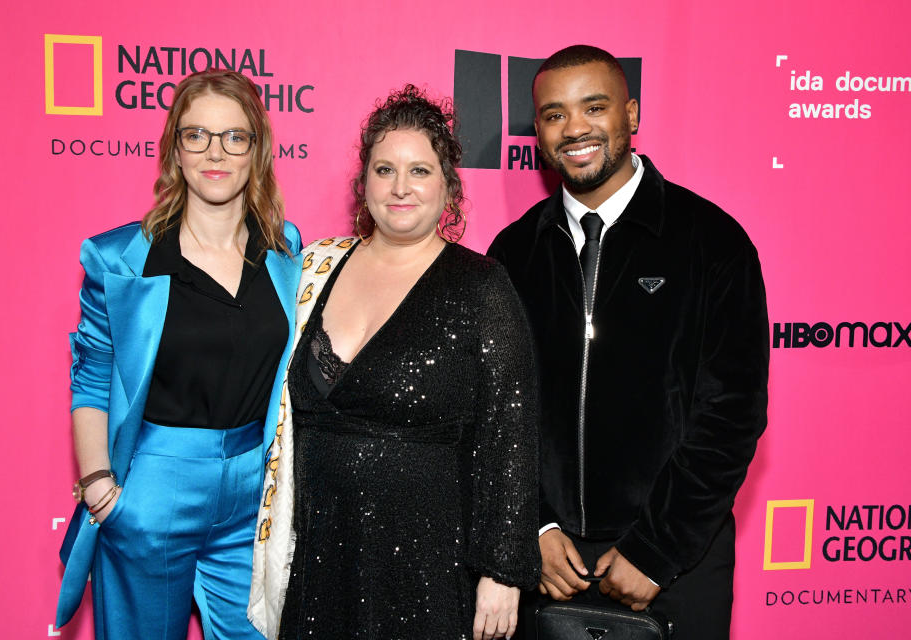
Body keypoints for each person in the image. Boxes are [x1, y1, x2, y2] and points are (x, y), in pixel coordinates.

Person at [487, 45, 769, 639]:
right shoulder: (512, 255)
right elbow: (494, 412)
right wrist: (531, 528)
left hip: (673, 562)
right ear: (537, 129)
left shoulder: (712, 243)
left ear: (631, 114)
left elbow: (731, 416)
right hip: (549, 563)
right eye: (555, 114)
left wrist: (657, 550)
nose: (576, 129)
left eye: (595, 107)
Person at [273, 85, 540, 640]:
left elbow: (510, 434)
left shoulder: (480, 286)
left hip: (428, 566)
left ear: (448, 187)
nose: (400, 187)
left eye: (419, 171)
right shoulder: (315, 270)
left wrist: (501, 572)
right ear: (363, 181)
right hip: (320, 555)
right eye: (384, 169)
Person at [55, 69, 302, 640]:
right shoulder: (121, 258)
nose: (216, 152)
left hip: (253, 496)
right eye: (198, 136)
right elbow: (91, 373)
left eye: (234, 137)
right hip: (154, 487)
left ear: (257, 150)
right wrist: (98, 484)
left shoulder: (285, 248)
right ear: (175, 147)